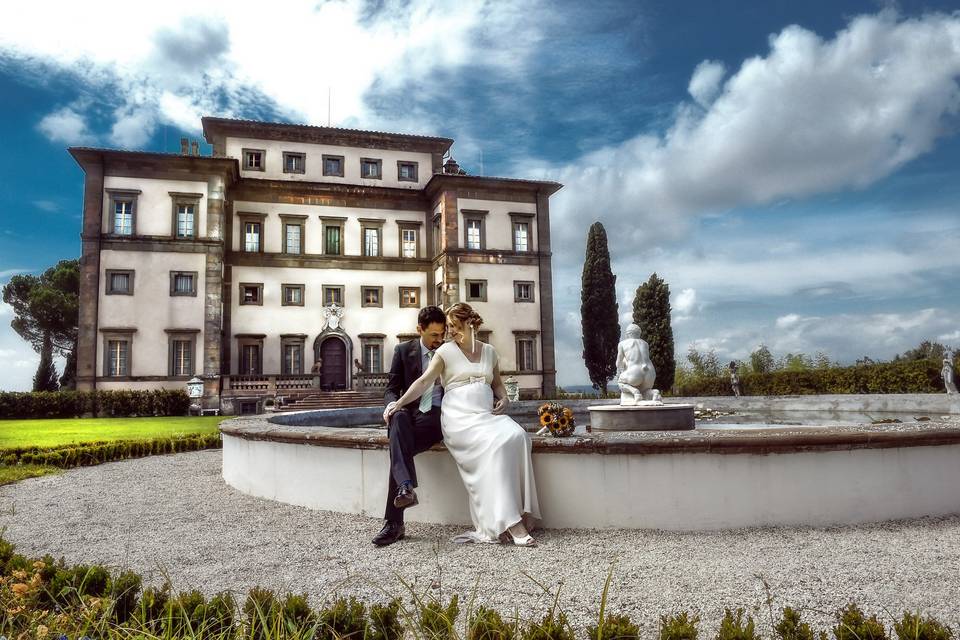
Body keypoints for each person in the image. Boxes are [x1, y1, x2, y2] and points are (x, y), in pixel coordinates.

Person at [386, 302, 540, 546]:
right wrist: (398, 404)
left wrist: (505, 398)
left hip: (485, 416)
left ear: (470, 324)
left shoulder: (489, 352)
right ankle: (511, 523)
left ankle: (521, 512)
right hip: (459, 419)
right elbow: (424, 382)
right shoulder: (445, 352)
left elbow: (497, 384)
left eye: (456, 327)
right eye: (449, 329)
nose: (451, 333)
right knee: (495, 446)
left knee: (518, 436)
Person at [372, 306, 447, 547]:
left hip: (435, 416)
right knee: (398, 417)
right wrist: (391, 404)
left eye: (442, 334)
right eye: (434, 335)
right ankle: (404, 489)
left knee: (398, 447)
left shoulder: (448, 352)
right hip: (409, 413)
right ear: (420, 330)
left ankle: (395, 522)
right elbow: (391, 388)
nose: (439, 340)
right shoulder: (403, 351)